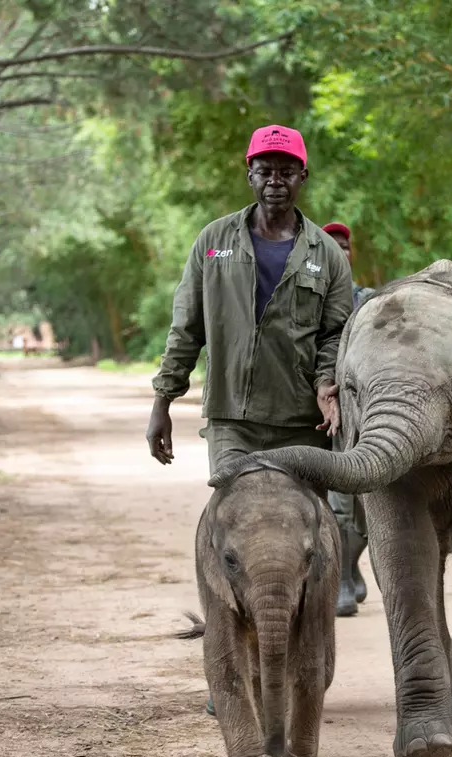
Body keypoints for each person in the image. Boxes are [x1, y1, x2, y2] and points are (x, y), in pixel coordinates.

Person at [145, 124, 353, 713]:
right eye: (264, 168)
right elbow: (186, 326)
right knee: (235, 539)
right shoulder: (213, 242)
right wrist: (164, 399)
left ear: (302, 176)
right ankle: (235, 674)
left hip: (302, 427)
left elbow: (336, 333)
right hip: (233, 421)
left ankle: (306, 671)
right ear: (249, 173)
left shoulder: (327, 255)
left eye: (286, 169)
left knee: (308, 544)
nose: (275, 178)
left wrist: (327, 386)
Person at [321, 221, 373, 617]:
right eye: (330, 246)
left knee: (369, 503)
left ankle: (351, 563)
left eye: (345, 246)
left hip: (369, 413)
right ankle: (339, 579)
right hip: (327, 415)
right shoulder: (307, 298)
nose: (339, 251)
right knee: (339, 500)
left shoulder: (369, 301)